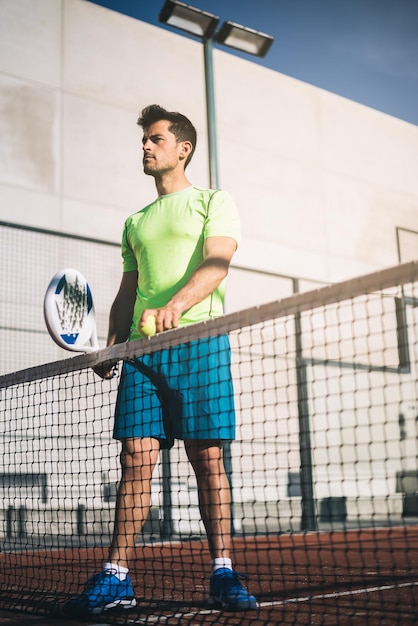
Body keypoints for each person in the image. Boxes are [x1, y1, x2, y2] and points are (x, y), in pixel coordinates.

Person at [66, 105, 257, 616]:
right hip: (141, 354)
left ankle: (222, 571)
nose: (145, 147)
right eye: (144, 141)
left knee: (207, 460)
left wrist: (176, 306)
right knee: (135, 460)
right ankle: (116, 577)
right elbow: (128, 292)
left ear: (182, 148)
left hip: (200, 341)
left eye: (155, 139)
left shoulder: (215, 201)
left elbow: (218, 262)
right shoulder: (135, 221)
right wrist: (110, 342)